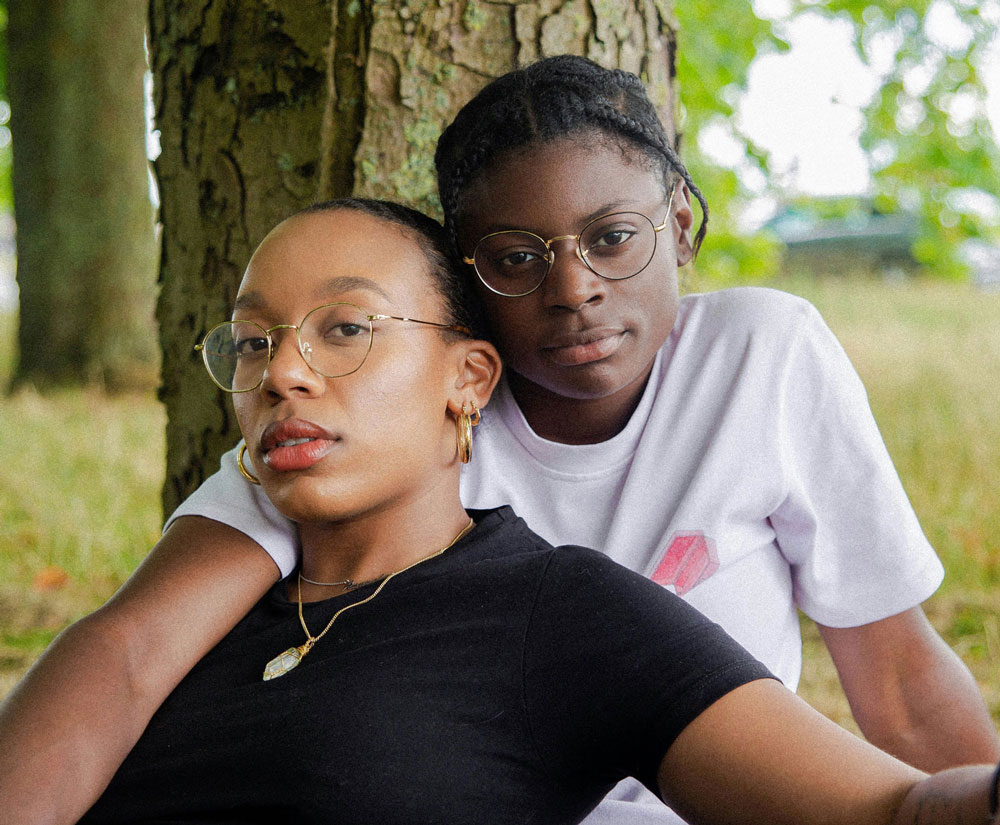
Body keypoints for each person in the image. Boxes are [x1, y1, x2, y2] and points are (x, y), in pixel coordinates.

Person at [1, 55, 997, 824]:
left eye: (613, 238)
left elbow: (900, 696)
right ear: (471, 297)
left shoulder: (756, 365)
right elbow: (127, 652)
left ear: (679, 228)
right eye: (518, 260)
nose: (573, 292)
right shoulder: (354, 440)